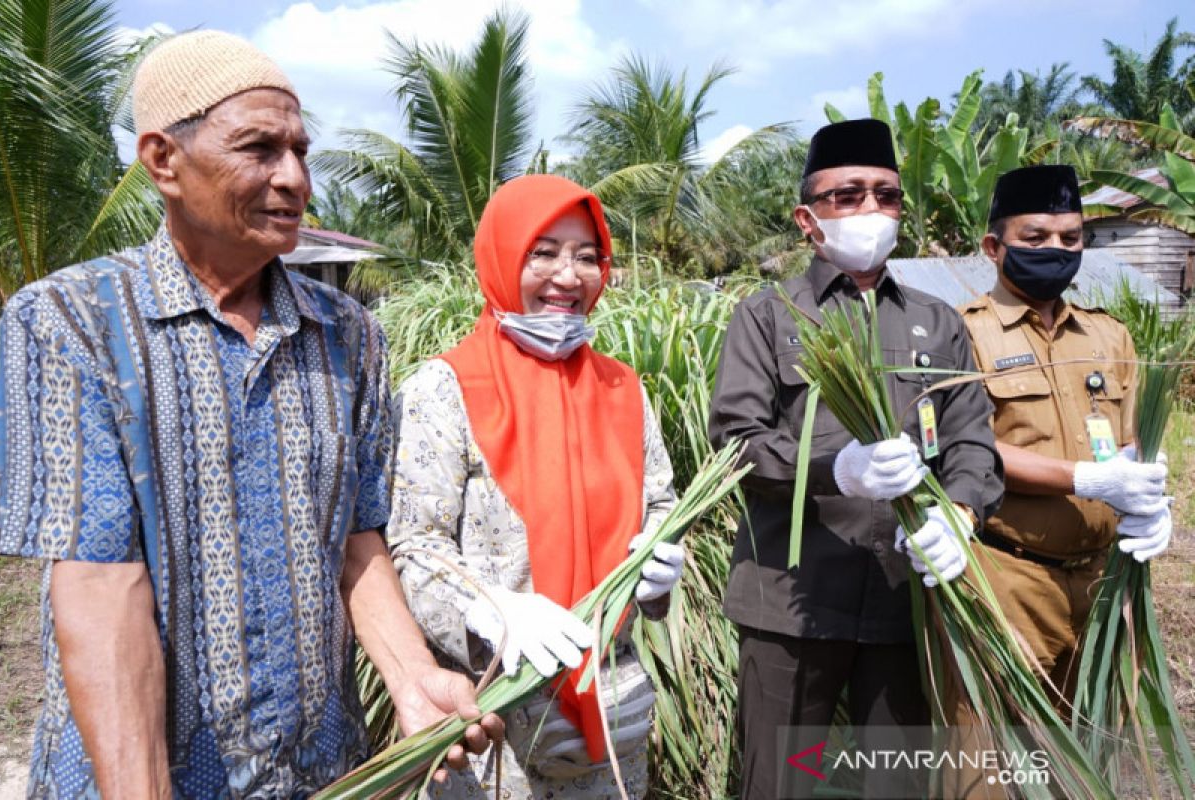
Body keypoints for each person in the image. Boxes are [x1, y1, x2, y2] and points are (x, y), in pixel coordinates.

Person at [0, 30, 500, 798]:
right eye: (259, 149)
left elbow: (356, 538)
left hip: (319, 771)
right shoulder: (70, 323)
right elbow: (100, 589)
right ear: (163, 160)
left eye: (300, 148)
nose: (294, 177)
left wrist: (411, 677)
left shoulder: (349, 334)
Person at [707, 118, 1005, 799]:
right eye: (846, 195)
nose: (869, 209)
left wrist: (959, 513)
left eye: (885, 194)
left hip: (906, 600)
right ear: (807, 219)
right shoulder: (770, 315)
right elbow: (734, 444)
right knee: (782, 784)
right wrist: (834, 469)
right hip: (793, 605)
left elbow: (971, 439)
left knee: (894, 786)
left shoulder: (937, 321)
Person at [389, 173, 683, 799]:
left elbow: (659, 501)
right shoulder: (442, 391)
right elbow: (413, 543)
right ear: (501, 257)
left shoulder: (622, 389)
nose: (569, 276)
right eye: (542, 253)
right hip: (493, 724)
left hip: (608, 714)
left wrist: (660, 556)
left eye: (586, 256)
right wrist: (491, 609)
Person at [950, 166, 1169, 784]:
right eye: (1036, 236)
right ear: (994, 247)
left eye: (1070, 239)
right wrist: (1083, 479)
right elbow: (971, 450)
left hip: (1105, 580)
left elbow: (1133, 443)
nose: (1055, 251)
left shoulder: (1106, 333)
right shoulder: (962, 333)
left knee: (1091, 749)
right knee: (986, 762)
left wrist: (1153, 497)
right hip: (1010, 577)